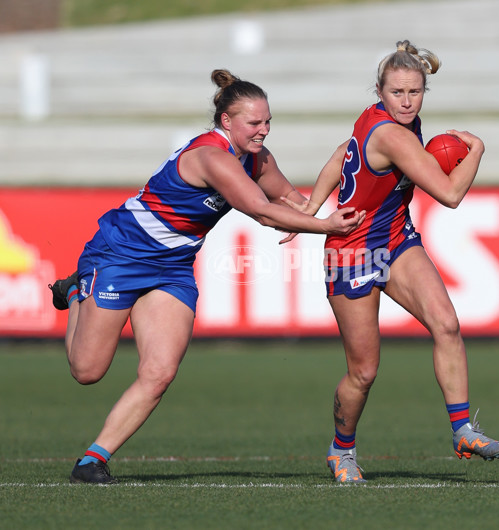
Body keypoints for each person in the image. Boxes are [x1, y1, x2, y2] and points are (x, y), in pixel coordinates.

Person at [48, 69, 366, 484]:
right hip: (120, 253)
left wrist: (314, 213)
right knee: (87, 371)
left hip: (173, 267)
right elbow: (262, 210)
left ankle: (93, 459)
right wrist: (326, 227)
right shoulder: (211, 157)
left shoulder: (257, 158)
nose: (264, 131)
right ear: (227, 122)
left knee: (160, 372)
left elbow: (287, 198)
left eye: (268, 121)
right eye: (255, 123)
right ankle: (75, 290)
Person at [281, 40, 499, 483]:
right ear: (380, 93)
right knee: (363, 372)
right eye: (397, 93)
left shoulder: (379, 119)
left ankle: (463, 428)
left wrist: (310, 207)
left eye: (415, 92)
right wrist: (477, 151)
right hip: (350, 253)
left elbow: (341, 153)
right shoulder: (392, 135)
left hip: (395, 240)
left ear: (424, 90)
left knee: (446, 323)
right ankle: (340, 451)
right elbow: (450, 194)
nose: (406, 101)